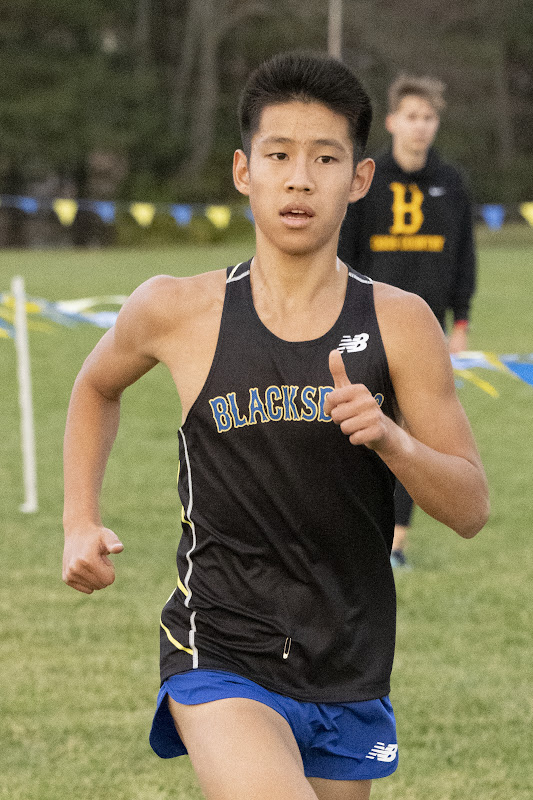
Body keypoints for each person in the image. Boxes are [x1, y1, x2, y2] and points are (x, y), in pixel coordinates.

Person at [62, 52, 489, 800]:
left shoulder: (401, 324)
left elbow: (469, 507)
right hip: (220, 645)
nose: (299, 179)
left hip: (347, 659)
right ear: (242, 171)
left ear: (358, 179)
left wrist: (392, 439)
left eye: (324, 158)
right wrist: (78, 522)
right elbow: (95, 387)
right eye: (278, 156)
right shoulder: (175, 308)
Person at [338, 74, 478, 569]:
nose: (420, 127)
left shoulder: (451, 182)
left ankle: (395, 544)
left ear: (436, 124)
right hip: (365, 322)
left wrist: (460, 320)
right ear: (394, 121)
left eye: (429, 118)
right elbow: (344, 251)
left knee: (410, 437)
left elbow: (464, 255)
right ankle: (352, 533)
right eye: (411, 117)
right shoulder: (366, 178)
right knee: (358, 430)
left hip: (427, 333)